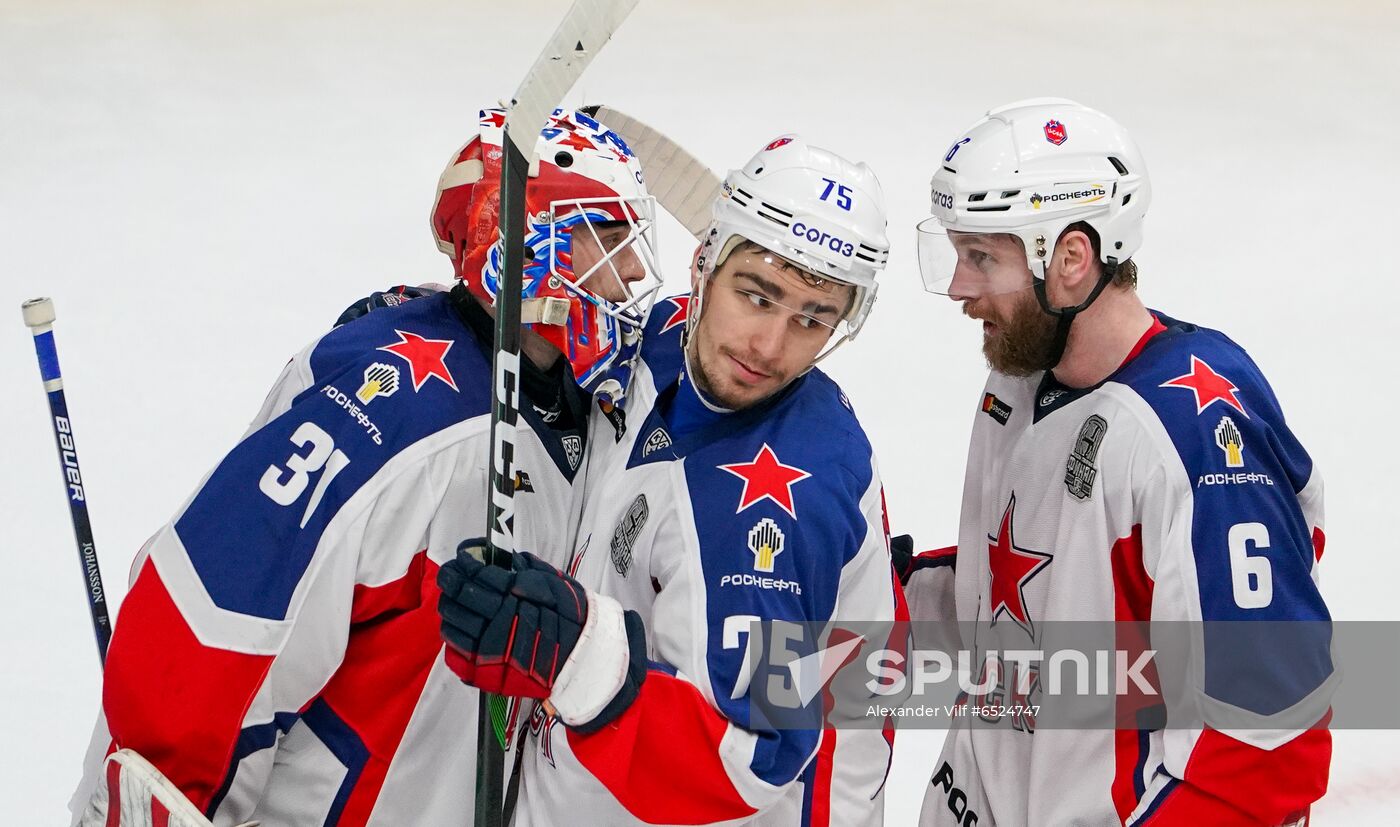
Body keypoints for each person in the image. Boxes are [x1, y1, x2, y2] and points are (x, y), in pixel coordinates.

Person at [69, 107, 662, 826]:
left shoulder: (581, 399)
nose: (632, 269)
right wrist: (153, 795)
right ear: (516, 246)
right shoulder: (401, 420)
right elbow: (216, 619)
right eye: (604, 237)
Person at [435, 135, 908, 825]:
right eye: (757, 295)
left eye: (812, 318)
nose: (768, 347)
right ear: (704, 261)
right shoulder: (663, 340)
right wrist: (444, 318)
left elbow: (749, 763)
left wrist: (574, 650)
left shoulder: (771, 512)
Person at [907, 98, 1333, 826]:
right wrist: (859, 592)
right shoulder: (1018, 377)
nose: (958, 286)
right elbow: (1036, 586)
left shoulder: (1195, 433)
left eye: (983, 257)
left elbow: (1266, 742)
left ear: (1070, 258)